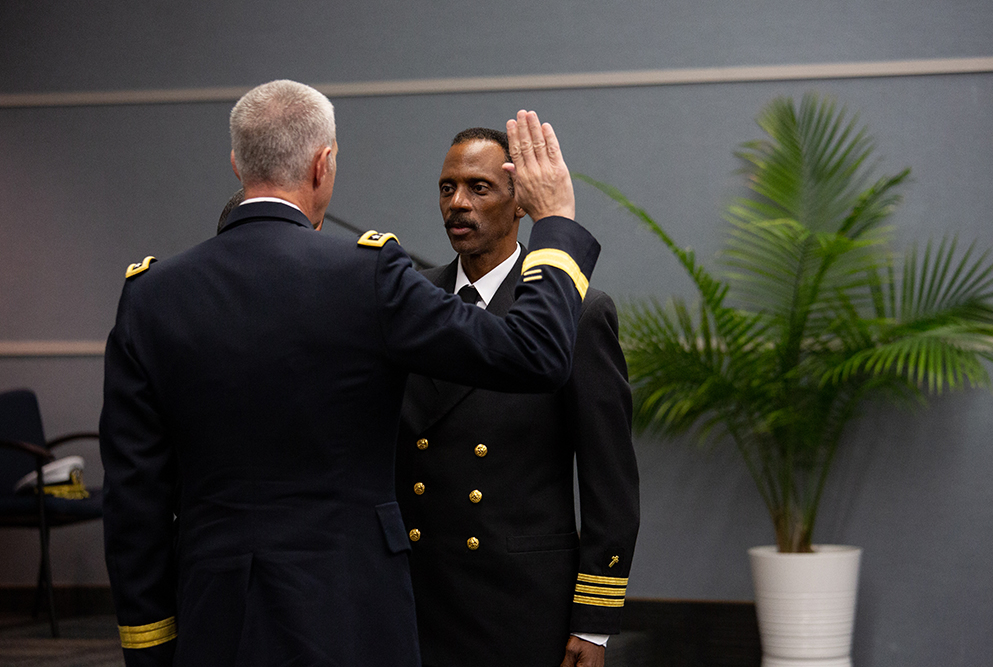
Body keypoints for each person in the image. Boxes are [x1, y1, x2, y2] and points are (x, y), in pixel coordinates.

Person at [100, 80, 601, 667]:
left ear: (237, 162)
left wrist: (150, 644)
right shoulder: (366, 275)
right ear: (323, 163)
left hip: (213, 613)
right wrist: (555, 223)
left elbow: (134, 497)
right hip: (348, 612)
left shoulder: (150, 294)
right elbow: (534, 352)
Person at [395, 128, 640, 667]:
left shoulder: (576, 311)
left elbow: (609, 482)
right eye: (447, 188)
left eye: (479, 188)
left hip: (516, 600)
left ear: (521, 204)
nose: (458, 203)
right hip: (417, 591)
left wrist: (594, 621)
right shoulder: (411, 300)